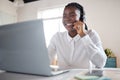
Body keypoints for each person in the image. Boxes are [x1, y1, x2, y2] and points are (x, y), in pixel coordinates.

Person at [48, 2, 107, 70]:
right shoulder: (57, 37)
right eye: (64, 16)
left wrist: (83, 35)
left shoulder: (92, 35)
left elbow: (101, 63)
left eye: (72, 15)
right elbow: (46, 59)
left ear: (82, 19)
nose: (67, 19)